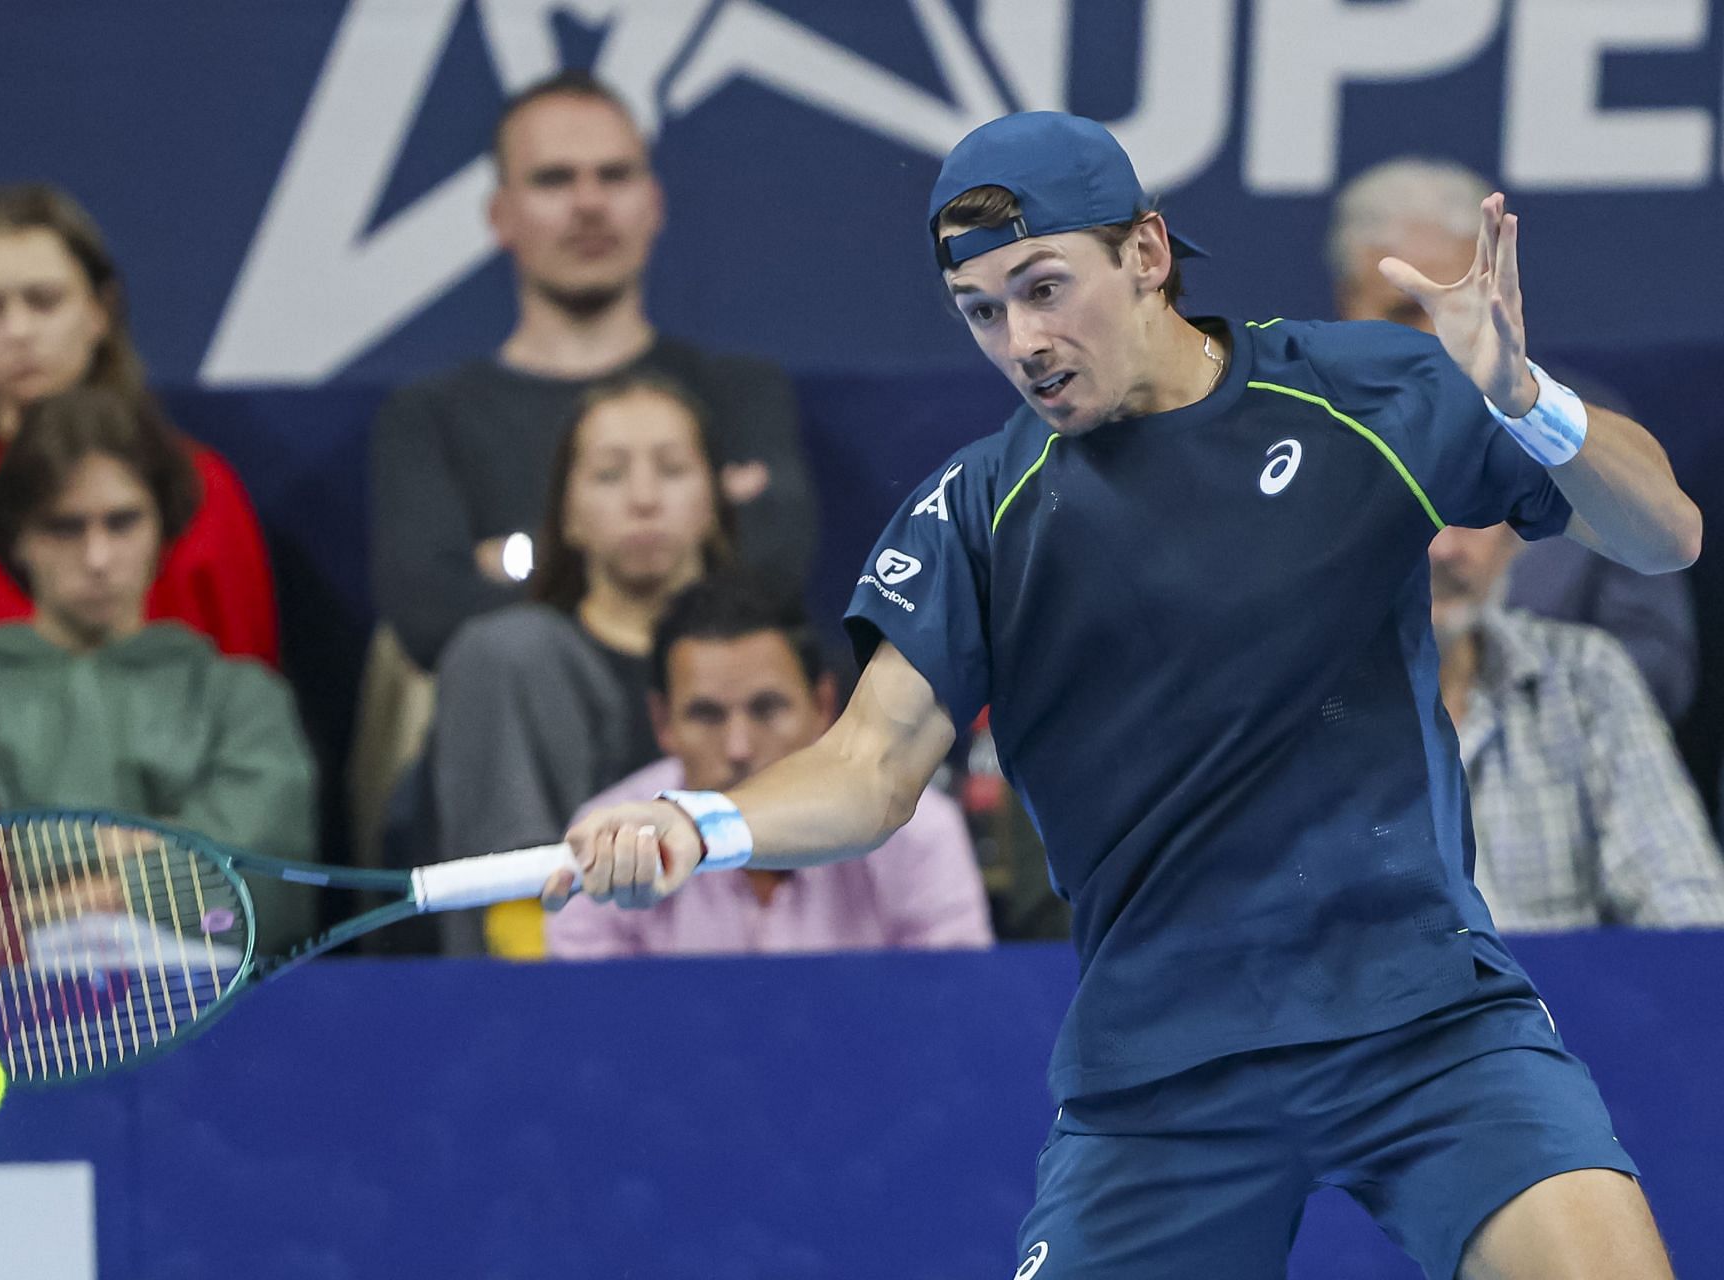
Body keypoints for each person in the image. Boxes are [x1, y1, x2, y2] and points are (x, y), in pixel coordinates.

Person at [550, 112, 1701, 1278]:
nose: (1024, 341)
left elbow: (1666, 536)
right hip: (1165, 1072)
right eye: (984, 311)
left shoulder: (1364, 390)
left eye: (1047, 287)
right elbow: (869, 767)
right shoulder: (978, 513)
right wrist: (704, 822)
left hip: (1424, 1016)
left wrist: (1529, 400)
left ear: (1147, 253)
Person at [370, 69, 815, 673]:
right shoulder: (429, 417)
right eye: (554, 179)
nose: (588, 203)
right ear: (500, 215)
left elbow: (772, 577)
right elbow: (432, 619)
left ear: (653, 203)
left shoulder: (740, 393)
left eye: (614, 175)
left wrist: (517, 560)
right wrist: (680, 556)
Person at [0, 387, 317, 952]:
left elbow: (260, 894)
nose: (97, 558)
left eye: (122, 522)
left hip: (212, 1013)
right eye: (65, 527)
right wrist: (129, 848)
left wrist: (56, 897)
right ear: (18, 537)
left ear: (163, 528)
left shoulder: (244, 700)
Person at [0, 183, 277, 738]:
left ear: (100, 312)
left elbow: (247, 704)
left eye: (44, 301)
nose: (18, 331)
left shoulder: (199, 488)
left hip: (154, 815)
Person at [1330, 157, 1697, 723]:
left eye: (1459, 307)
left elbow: (1659, 650)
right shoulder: (1299, 433)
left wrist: (1511, 709)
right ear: (1345, 303)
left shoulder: (1568, 428)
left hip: (1552, 748)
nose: (1437, 337)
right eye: (1406, 311)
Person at [424, 373, 735, 957]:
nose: (644, 498)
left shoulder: (780, 657)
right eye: (610, 474)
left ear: (714, 502)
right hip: (563, 991)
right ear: (565, 515)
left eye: (671, 469)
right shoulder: (510, 659)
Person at [546, 573, 991, 958]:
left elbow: (952, 1020)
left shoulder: (920, 833)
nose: (739, 747)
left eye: (766, 709)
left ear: (823, 705)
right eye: (706, 714)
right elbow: (591, 1043)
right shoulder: (610, 841)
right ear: (662, 721)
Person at [1430, 522, 1724, 930]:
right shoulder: (1317, 700)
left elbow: (1690, 911)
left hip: (1571, 992)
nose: (1444, 549)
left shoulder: (1586, 676)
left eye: (1472, 517)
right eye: (1419, 517)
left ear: (1515, 535)